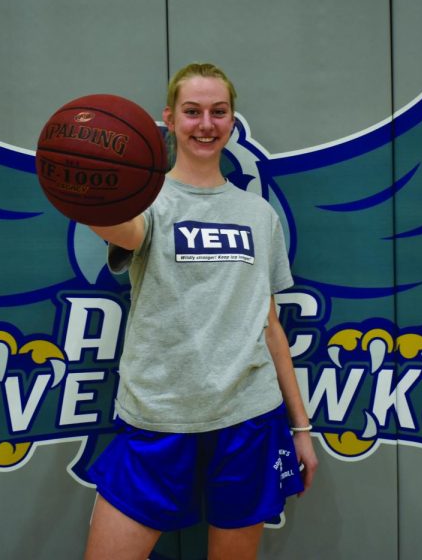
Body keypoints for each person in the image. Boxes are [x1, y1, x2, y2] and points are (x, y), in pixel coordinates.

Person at [83, 63, 318, 560]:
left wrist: (301, 428)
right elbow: (119, 229)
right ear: (169, 119)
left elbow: (270, 325)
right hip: (157, 417)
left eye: (218, 111)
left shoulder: (258, 214)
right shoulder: (149, 203)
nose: (206, 124)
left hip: (248, 419)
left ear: (232, 120)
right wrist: (83, 185)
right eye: (192, 112)